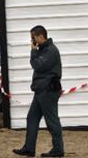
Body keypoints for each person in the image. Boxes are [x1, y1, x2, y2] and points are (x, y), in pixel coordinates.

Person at [13, 25, 64, 157]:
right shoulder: (44, 49)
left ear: (41, 36)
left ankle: (58, 149)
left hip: (48, 90)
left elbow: (37, 65)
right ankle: (29, 148)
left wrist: (33, 51)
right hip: (41, 90)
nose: (32, 40)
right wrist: (36, 50)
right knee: (32, 118)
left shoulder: (51, 51)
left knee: (51, 120)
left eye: (33, 37)